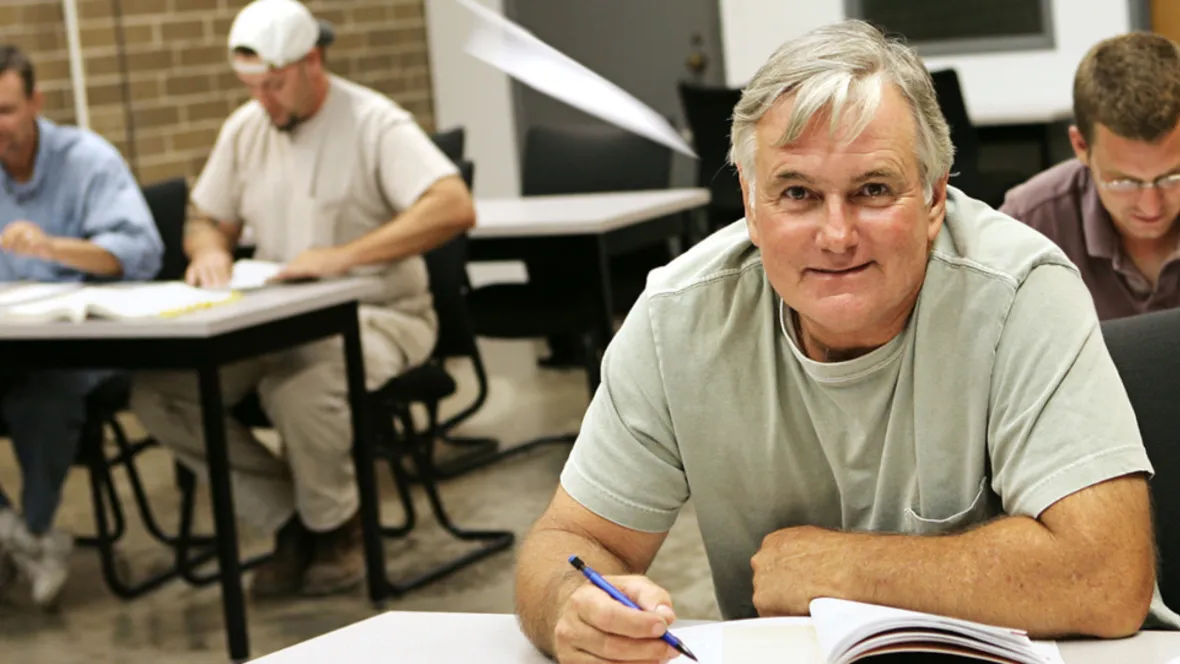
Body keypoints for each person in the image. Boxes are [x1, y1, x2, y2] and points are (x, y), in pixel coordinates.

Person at [513, 20, 1180, 663]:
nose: (836, 235)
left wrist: (841, 566)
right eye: (797, 193)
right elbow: (571, 541)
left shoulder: (1019, 292)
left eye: (873, 190)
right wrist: (573, 605)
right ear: (750, 201)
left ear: (934, 197)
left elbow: (1107, 577)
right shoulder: (676, 319)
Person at [130, 0, 474, 598]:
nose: (263, 100)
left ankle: (336, 528)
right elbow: (208, 217)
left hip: (381, 315)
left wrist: (344, 256)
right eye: (251, 87)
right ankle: (294, 520)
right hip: (275, 317)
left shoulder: (373, 121)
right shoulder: (246, 128)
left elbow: (452, 205)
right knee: (162, 393)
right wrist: (209, 249)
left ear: (312, 60)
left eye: (274, 84)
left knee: (304, 376)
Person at [0, 45, 163, 607]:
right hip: (10, 342)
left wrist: (55, 247)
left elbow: (142, 251)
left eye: (4, 110)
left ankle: (39, 531)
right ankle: (9, 532)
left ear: (35, 102)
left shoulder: (88, 159)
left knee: (42, 394)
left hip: (89, 343)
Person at [1001, 32, 1180, 320]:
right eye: (1124, 182)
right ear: (1081, 146)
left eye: (1172, 178)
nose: (1151, 206)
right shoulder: (1030, 224)